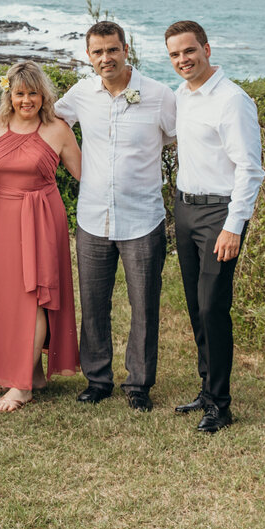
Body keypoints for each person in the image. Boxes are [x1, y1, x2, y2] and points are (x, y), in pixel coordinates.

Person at [55, 21, 177, 412]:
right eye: (97, 52)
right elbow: (49, 124)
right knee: (93, 302)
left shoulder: (158, 95)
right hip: (92, 217)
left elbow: (180, 138)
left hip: (143, 218)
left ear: (126, 49)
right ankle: (98, 378)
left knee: (144, 304)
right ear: (88, 56)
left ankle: (139, 384)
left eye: (112, 50)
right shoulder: (79, 95)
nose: (105, 58)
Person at [164, 20, 265, 433]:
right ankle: (207, 390)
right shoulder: (181, 97)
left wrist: (233, 225)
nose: (183, 60)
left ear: (207, 48)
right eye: (174, 55)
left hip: (218, 216)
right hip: (185, 210)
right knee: (194, 305)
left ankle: (220, 405)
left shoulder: (232, 100)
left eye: (189, 51)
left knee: (213, 307)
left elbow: (250, 168)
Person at [0, 61, 81, 411]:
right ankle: (31, 372)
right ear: (9, 93)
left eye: (33, 93)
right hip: (1, 216)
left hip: (42, 217)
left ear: (44, 95)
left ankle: (20, 386)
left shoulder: (58, 130)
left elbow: (85, 177)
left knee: (35, 294)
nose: (26, 100)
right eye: (20, 93)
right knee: (7, 296)